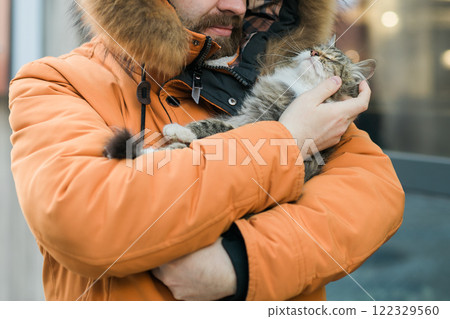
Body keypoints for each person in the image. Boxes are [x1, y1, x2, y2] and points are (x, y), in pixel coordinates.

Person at [9, 0, 404, 301]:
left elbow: (374, 192)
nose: (237, 6)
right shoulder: (55, 83)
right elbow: (87, 218)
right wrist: (287, 141)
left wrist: (240, 261)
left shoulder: (283, 77)